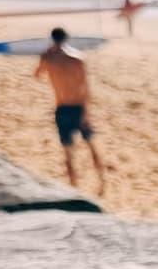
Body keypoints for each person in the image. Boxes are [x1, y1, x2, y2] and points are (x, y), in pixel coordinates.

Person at [33, 27, 106, 193]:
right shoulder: (78, 59)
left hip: (62, 107)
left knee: (68, 152)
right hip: (79, 107)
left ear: (52, 39)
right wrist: (87, 113)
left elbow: (37, 75)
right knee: (91, 146)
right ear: (66, 39)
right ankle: (102, 183)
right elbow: (86, 88)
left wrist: (46, 57)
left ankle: (74, 188)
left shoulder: (47, 58)